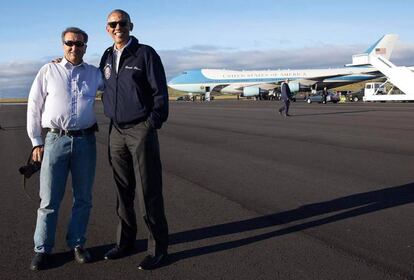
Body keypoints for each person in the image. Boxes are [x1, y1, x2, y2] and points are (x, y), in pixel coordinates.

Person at [27, 27, 103, 270]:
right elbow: (34, 105)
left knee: (83, 198)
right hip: (55, 141)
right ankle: (42, 249)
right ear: (63, 45)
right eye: (70, 43)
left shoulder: (94, 73)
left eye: (79, 44)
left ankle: (77, 243)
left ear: (85, 47)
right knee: (49, 199)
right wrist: (36, 141)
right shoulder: (48, 70)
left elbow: (117, 86)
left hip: (85, 141)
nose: (74, 47)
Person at [99, 9, 169, 270]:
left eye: (122, 23)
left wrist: (151, 123)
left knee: (148, 190)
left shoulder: (145, 54)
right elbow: (96, 83)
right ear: (107, 28)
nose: (118, 27)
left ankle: (158, 248)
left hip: (140, 128)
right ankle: (125, 241)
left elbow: (159, 94)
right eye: (113, 24)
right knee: (122, 189)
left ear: (131, 25)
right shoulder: (106, 57)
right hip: (116, 131)